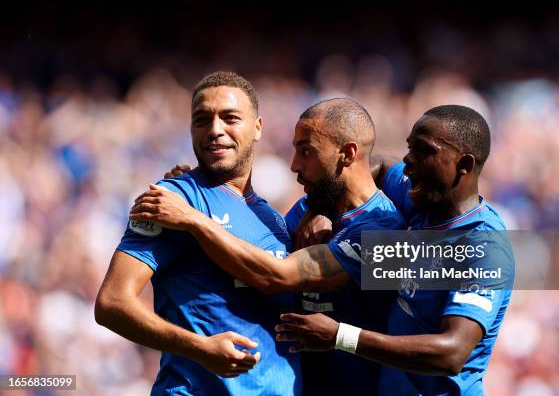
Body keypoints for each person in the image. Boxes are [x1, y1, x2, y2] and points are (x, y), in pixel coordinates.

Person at [129, 98, 407, 395]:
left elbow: (277, 276)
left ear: (347, 154)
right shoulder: (308, 209)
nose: (294, 165)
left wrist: (193, 218)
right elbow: (253, 249)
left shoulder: (386, 232)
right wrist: (198, 192)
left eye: (306, 151)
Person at [273, 105, 515, 395]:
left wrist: (341, 336)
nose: (408, 160)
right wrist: (321, 206)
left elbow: (452, 353)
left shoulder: (483, 246)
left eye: (423, 151)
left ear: (463, 165)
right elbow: (377, 164)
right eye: (409, 147)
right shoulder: (419, 198)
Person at [95, 71, 301, 395]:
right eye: (202, 120)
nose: (215, 130)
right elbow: (111, 303)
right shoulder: (171, 199)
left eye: (230, 118)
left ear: (258, 127)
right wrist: (199, 348)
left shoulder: (274, 219)